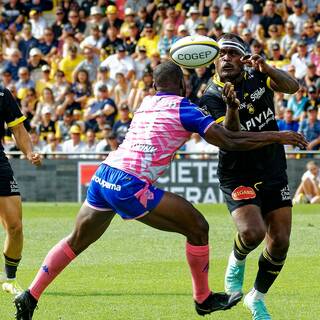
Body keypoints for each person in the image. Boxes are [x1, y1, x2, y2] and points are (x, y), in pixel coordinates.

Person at [14, 61, 306, 320]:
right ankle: (203, 299)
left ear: (155, 85)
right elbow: (229, 140)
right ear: (183, 84)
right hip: (129, 183)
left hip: (104, 176)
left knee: (76, 241)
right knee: (198, 227)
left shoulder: (145, 102)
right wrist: (278, 135)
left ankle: (30, 295)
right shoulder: (186, 109)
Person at [199, 33, 301, 319]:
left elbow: (293, 87)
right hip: (237, 173)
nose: (226, 58)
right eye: (221, 54)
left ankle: (256, 297)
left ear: (243, 58)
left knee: (280, 241)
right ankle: (237, 259)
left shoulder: (258, 76)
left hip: (272, 169)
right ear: (213, 61)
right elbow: (232, 137)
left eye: (232, 53)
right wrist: (233, 108)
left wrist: (267, 68)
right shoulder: (210, 96)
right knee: (252, 233)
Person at [0, 87, 41, 295]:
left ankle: (10, 279)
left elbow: (18, 129)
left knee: (15, 226)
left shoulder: (2, 93)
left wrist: (30, 152)